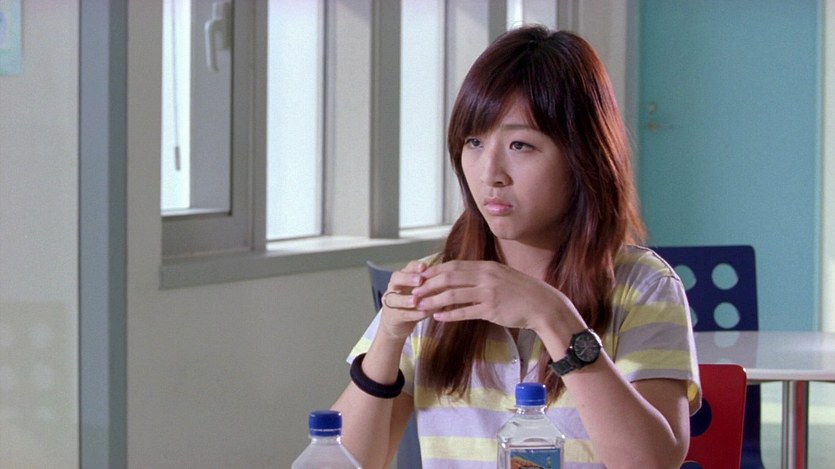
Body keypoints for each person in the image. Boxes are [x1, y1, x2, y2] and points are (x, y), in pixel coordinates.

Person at [332, 25, 700, 469]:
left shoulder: (644, 286)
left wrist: (553, 317)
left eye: (520, 144)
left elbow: (653, 463)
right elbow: (342, 463)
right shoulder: (441, 285)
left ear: (583, 157)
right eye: (474, 142)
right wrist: (389, 338)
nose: (490, 173)